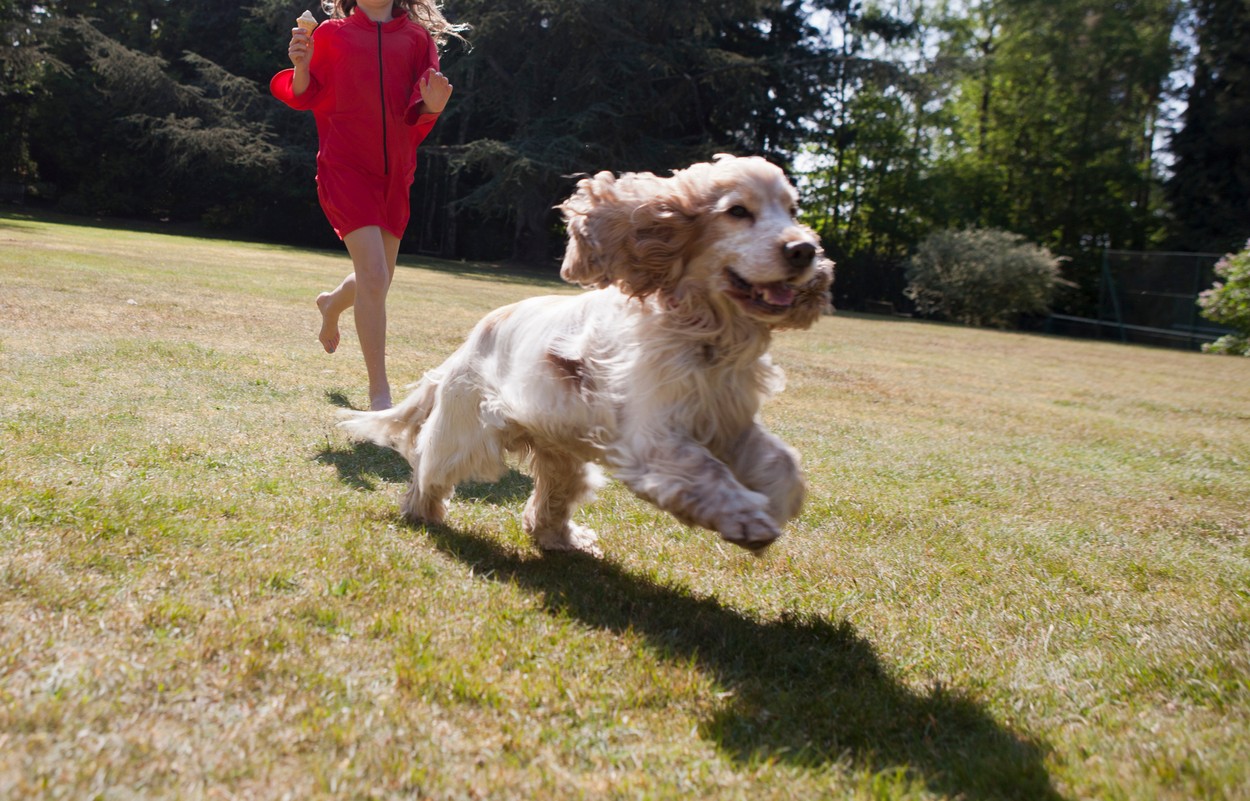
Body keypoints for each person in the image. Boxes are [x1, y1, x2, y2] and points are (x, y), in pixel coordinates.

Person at [271, 0, 465, 410]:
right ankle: (380, 394)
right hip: (344, 167)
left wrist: (436, 105)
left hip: (395, 174)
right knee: (375, 276)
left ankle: (330, 303)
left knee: (376, 278)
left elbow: (422, 103)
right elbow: (305, 94)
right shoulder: (330, 33)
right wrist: (301, 64)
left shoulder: (416, 39)